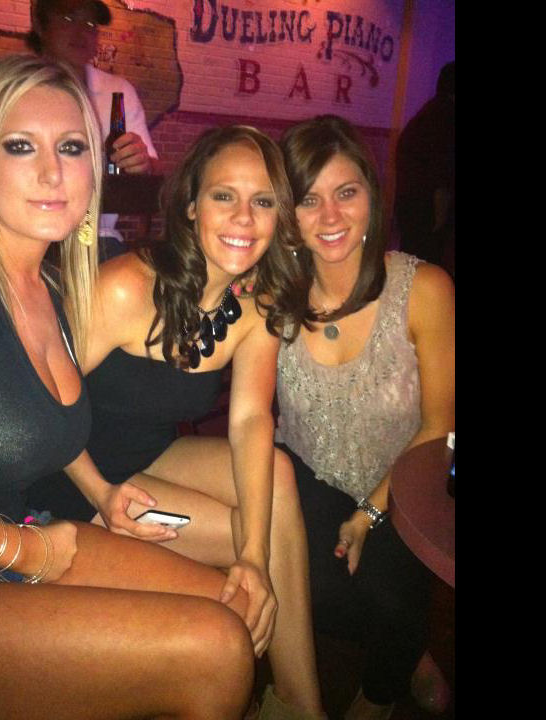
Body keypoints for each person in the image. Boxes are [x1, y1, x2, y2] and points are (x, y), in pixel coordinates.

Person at [0, 53, 256, 720]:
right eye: (21, 146)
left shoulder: (55, 286)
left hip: (24, 532)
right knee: (216, 648)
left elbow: (41, 415)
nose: (52, 172)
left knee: (233, 608)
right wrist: (25, 551)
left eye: (71, 148)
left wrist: (101, 491)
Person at [27, 125, 327, 720]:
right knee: (248, 565)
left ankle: (299, 704)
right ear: (191, 206)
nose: (244, 218)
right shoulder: (126, 289)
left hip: (147, 458)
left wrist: (255, 556)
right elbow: (34, 405)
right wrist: (100, 490)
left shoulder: (255, 302)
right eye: (224, 196)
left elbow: (250, 420)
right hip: (68, 475)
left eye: (263, 201)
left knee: (273, 477)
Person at [275, 115, 455, 719]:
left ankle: (380, 693)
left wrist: (369, 511)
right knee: (310, 589)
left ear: (371, 198)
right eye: (309, 199)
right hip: (307, 472)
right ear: (289, 213)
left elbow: (440, 425)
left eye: (346, 192)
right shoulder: (272, 294)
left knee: (397, 601)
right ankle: (403, 649)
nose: (330, 216)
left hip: (404, 478)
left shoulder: (424, 288)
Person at [0, 0, 159, 262]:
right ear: (40, 26)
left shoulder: (117, 92)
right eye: (68, 18)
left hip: (96, 241)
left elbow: (155, 172)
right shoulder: (9, 90)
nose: (81, 31)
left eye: (90, 24)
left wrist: (142, 163)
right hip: (13, 242)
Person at [394, 61, 455, 277]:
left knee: (411, 261)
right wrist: (440, 213)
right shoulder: (445, 117)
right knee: (426, 266)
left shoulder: (428, 113)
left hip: (410, 202)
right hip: (425, 206)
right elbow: (441, 173)